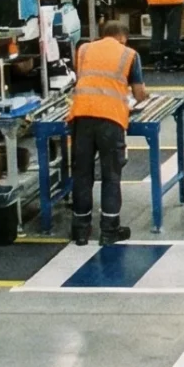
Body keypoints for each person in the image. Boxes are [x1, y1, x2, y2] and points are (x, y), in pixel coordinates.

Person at [68, 20, 147, 246]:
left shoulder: (83, 49)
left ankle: (80, 230)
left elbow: (87, 79)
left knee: (82, 173)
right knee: (111, 174)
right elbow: (139, 94)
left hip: (81, 116)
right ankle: (109, 231)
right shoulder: (129, 54)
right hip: (111, 119)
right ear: (123, 37)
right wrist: (144, 96)